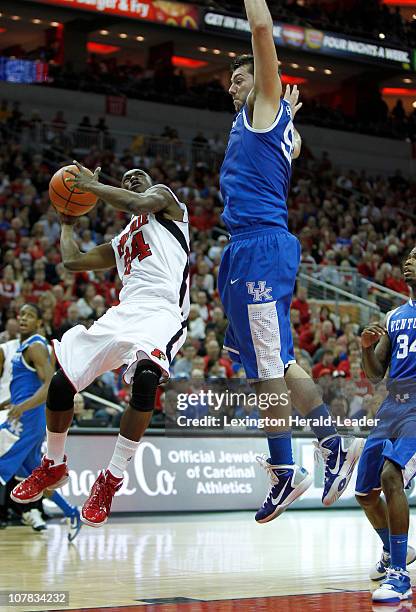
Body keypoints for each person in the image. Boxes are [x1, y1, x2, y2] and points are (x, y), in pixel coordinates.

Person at [218, 0, 363, 524]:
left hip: (259, 246)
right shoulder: (269, 121)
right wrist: (289, 122)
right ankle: (331, 442)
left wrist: (274, 95)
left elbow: (261, 25)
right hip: (250, 247)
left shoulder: (263, 105)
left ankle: (285, 468)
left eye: (241, 78)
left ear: (262, 81)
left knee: (263, 374)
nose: (232, 86)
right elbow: (293, 148)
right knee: (277, 361)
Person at [12, 165, 190, 528]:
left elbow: (138, 200)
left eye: (137, 176)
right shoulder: (123, 238)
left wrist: (93, 185)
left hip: (161, 311)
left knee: (144, 379)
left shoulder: (165, 203)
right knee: (63, 382)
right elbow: (73, 261)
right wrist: (67, 223)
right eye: (126, 178)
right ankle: (54, 464)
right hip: (124, 312)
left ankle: (111, 477)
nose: (131, 180)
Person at [356, 247, 416, 604]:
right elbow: (376, 374)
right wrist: (366, 347)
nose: (408, 261)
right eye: (407, 256)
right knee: (364, 492)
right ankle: (398, 551)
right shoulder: (394, 316)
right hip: (391, 406)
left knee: (391, 476)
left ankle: (399, 574)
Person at [0, 305, 81, 540]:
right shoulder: (22, 347)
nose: (23, 317)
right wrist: (8, 403)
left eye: (30, 315)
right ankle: (72, 512)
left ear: (38, 323)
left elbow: (48, 387)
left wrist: (22, 407)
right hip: (22, 415)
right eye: (21, 314)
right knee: (34, 474)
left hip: (29, 420)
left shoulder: (36, 346)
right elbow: (25, 389)